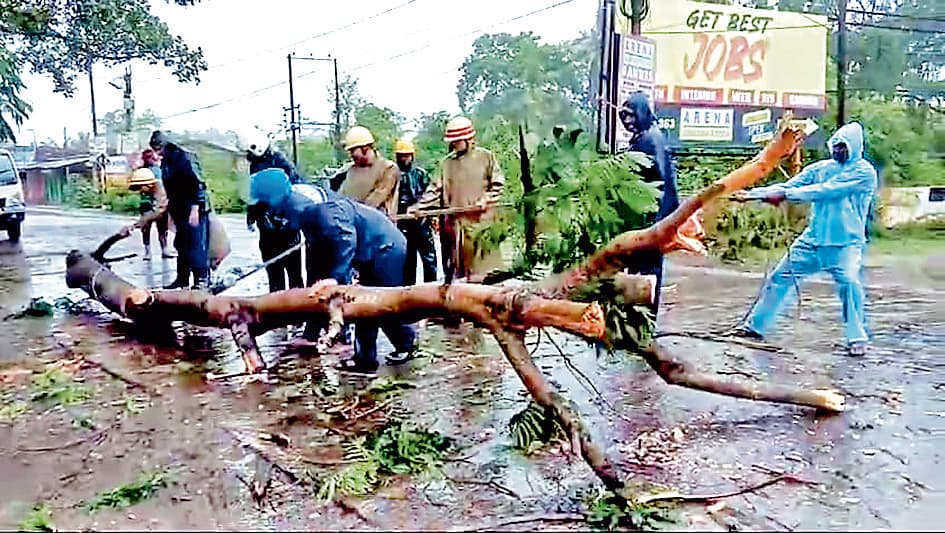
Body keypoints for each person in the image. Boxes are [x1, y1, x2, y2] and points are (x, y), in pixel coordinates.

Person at [730, 122, 878, 356]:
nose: (839, 152)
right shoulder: (820, 168)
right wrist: (753, 194)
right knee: (779, 278)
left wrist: (785, 194)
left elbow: (826, 190)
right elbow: (791, 185)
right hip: (812, 239)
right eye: (836, 146)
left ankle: (856, 337)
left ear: (855, 148)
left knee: (850, 285)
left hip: (845, 244)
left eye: (844, 148)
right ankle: (754, 327)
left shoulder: (863, 172)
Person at [248, 168, 417, 373]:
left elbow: (345, 240)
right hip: (370, 249)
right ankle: (367, 358)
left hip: (385, 248)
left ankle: (402, 344)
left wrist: (335, 279)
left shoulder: (318, 208)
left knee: (375, 304)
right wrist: (312, 324)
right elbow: (317, 257)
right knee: (364, 305)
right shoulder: (297, 203)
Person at [408, 116, 505, 279]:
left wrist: (485, 200)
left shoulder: (486, 158)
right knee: (457, 277)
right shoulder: (446, 164)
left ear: (469, 139)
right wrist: (419, 207)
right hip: (454, 230)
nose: (453, 144)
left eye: (457, 140)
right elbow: (434, 190)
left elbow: (497, 186)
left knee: (484, 274)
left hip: (480, 227)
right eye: (452, 141)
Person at [618, 92, 680, 319]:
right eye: (624, 116)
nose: (627, 121)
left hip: (653, 217)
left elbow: (657, 182)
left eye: (632, 116)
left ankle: (642, 320)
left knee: (646, 272)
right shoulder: (648, 137)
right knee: (642, 269)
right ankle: (639, 318)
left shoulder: (648, 141)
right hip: (653, 217)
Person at [149, 130, 212, 290]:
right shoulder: (166, 162)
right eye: (155, 149)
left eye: (158, 148)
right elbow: (170, 187)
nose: (157, 153)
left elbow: (199, 184)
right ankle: (182, 279)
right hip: (179, 208)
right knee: (181, 244)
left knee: (196, 245)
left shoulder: (185, 157)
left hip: (194, 208)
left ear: (166, 145)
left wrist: (195, 208)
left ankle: (202, 280)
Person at [242, 129, 304, 292]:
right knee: (274, 272)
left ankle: (300, 309)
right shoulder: (255, 165)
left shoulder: (282, 163)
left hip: (285, 224)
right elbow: (254, 193)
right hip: (266, 225)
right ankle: (277, 311)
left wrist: (290, 217)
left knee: (294, 273)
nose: (249, 156)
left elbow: (295, 189)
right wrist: (251, 215)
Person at [393, 139, 437, 284]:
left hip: (421, 223)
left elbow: (431, 196)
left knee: (429, 260)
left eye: (407, 155)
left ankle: (431, 289)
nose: (404, 159)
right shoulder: (392, 175)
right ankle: (408, 293)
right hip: (401, 224)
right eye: (401, 155)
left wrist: (431, 215)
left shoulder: (420, 174)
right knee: (407, 261)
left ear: (412, 156)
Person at [334, 126, 400, 220]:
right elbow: (341, 196)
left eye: (353, 151)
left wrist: (349, 212)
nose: (351, 155)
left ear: (365, 149)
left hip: (377, 226)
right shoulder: (350, 170)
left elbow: (374, 201)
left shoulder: (388, 169)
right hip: (351, 221)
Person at [126, 158, 170, 261]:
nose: (140, 190)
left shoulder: (160, 189)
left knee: (162, 229)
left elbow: (158, 209)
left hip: (159, 209)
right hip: (146, 206)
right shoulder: (143, 174)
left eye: (142, 187)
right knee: (146, 230)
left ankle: (164, 249)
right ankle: (147, 251)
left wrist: (136, 224)